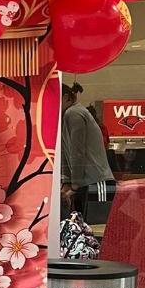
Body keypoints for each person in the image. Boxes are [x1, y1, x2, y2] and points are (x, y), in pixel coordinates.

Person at [61, 83, 115, 216]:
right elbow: (67, 152)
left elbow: (77, 151)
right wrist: (68, 182)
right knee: (86, 230)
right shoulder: (69, 114)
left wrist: (74, 184)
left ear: (66, 97)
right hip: (89, 181)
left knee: (96, 230)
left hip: (95, 181)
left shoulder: (73, 113)